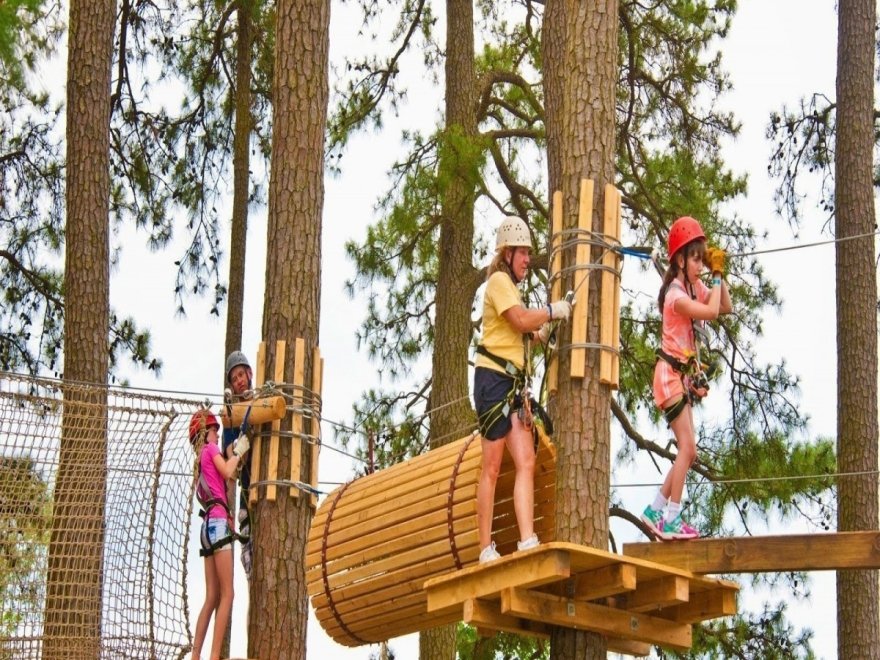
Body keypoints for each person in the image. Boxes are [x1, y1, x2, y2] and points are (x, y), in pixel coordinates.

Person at [473, 215, 573, 563]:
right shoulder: (499, 280)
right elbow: (518, 319)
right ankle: (485, 547)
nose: (528, 261)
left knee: (526, 460)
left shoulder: (510, 288)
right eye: (524, 254)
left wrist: (546, 327)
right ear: (507, 252)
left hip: (511, 386)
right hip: (492, 382)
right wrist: (550, 310)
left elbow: (524, 329)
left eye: (530, 254)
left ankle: (527, 538)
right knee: (492, 466)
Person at [641, 216, 732, 540]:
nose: (699, 264)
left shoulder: (694, 286)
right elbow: (707, 312)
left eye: (701, 257)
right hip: (669, 376)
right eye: (694, 257)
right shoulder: (676, 295)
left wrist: (717, 271)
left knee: (689, 450)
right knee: (688, 448)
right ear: (679, 260)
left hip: (679, 379)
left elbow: (724, 307)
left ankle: (655, 510)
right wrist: (717, 274)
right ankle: (670, 519)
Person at [189, 409, 250, 660]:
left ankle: (196, 657)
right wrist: (238, 451)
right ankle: (214, 657)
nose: (217, 435)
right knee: (228, 594)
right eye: (215, 431)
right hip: (216, 524)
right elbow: (226, 471)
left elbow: (218, 482)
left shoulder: (200, 462)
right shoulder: (210, 449)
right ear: (209, 431)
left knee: (211, 596)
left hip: (206, 529)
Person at [222, 350, 254, 579]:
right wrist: (239, 445)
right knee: (248, 551)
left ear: (250, 374)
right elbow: (227, 452)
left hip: (265, 480)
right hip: (247, 486)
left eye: (241, 375)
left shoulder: (262, 401)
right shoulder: (231, 414)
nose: (239, 381)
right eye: (234, 379)